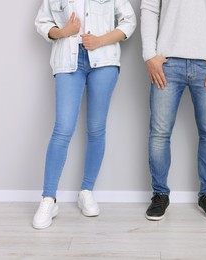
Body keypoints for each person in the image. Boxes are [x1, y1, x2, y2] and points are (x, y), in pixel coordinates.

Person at [33, 0, 136, 229]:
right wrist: (62, 32)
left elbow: (129, 21)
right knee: (63, 128)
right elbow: (42, 22)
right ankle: (48, 199)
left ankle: (86, 192)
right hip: (67, 60)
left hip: (104, 59)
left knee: (96, 128)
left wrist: (100, 40)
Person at [141, 0, 206, 221]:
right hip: (167, 63)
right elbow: (149, 7)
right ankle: (159, 194)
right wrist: (149, 55)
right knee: (159, 133)